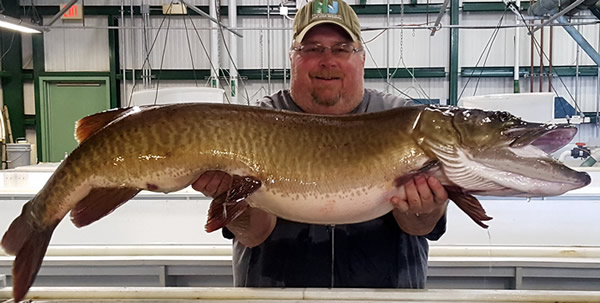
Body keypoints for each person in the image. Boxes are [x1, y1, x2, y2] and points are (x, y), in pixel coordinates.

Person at [192, 0, 449, 288]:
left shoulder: (406, 123)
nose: (328, 60)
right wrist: (230, 196)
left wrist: (424, 206)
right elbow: (253, 234)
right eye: (312, 49)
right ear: (293, 58)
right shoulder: (253, 126)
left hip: (383, 294)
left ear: (361, 58)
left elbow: (421, 226)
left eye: (341, 48)